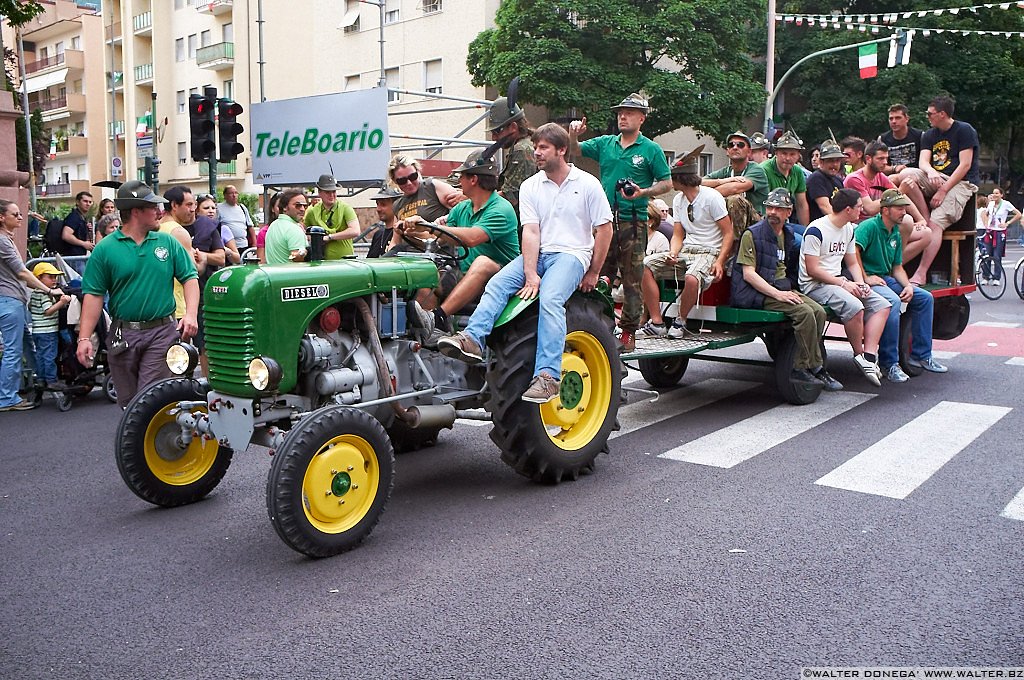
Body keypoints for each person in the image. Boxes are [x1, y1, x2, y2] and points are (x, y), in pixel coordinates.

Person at [438, 122, 613, 403]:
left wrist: (593, 271)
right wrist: (530, 272)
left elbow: (605, 229)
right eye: (535, 147)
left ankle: (547, 376)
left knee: (551, 298)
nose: (537, 153)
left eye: (543, 147)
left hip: (572, 255)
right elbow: (531, 231)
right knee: (497, 283)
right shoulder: (531, 185)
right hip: (540, 254)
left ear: (562, 150)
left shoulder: (587, 184)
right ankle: (472, 339)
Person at [76, 181, 199, 407]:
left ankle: (153, 439)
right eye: (152, 207)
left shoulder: (167, 242)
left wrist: (190, 315)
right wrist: (84, 338)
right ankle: (138, 441)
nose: (159, 212)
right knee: (128, 403)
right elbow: (93, 296)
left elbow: (190, 278)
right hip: (123, 334)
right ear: (136, 211)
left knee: (149, 400)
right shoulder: (105, 249)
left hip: (162, 332)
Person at [568, 93, 672, 352]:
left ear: (641, 118)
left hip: (634, 223)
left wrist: (643, 192)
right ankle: (599, 324)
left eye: (628, 112)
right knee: (597, 274)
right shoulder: (606, 143)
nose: (622, 116)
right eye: (619, 112)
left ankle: (628, 333)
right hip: (604, 222)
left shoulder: (651, 149)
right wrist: (573, 133)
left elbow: (667, 183)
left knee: (631, 279)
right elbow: (576, 150)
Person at [403, 150, 521, 344]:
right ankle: (428, 336)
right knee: (426, 275)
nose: (458, 181)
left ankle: (438, 318)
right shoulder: (462, 208)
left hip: (503, 279)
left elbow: (472, 238)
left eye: (461, 176)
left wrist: (431, 226)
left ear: (473, 179)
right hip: (467, 274)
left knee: (483, 263)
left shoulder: (501, 209)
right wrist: (411, 229)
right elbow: (438, 238)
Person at [730, 188, 841, 391]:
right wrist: (778, 294)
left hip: (779, 287)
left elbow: (791, 267)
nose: (772, 211)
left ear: (788, 212)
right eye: (769, 207)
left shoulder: (788, 235)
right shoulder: (752, 234)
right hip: (756, 291)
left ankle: (815, 366)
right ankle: (801, 368)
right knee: (805, 313)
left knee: (818, 311)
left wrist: (788, 287)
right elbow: (749, 274)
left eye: (778, 208)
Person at [799, 188, 891, 387]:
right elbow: (812, 269)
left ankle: (869, 356)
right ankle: (858, 354)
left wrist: (860, 283)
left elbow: (851, 263)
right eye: (859, 207)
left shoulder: (848, 229)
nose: (862, 210)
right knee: (855, 307)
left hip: (838, 281)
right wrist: (844, 283)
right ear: (848, 209)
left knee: (882, 305)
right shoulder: (817, 230)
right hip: (815, 285)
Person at [639, 148, 733, 338]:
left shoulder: (711, 198)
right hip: (687, 250)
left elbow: (729, 233)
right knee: (644, 266)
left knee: (692, 277)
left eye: (671, 177)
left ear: (681, 179)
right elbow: (678, 234)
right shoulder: (678, 199)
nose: (668, 181)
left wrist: (720, 262)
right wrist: (673, 253)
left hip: (709, 252)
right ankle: (656, 322)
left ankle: (680, 321)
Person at [855, 189, 947, 383]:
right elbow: (853, 252)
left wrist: (908, 286)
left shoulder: (895, 232)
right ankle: (889, 364)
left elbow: (897, 267)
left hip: (884, 278)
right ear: (885, 210)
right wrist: (865, 278)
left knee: (924, 298)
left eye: (904, 207)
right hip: (866, 280)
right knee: (893, 302)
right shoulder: (868, 226)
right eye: (899, 208)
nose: (904, 212)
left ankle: (922, 356)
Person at [900, 95, 981, 286]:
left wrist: (943, 190)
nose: (927, 116)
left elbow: (965, 165)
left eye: (930, 113)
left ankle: (921, 273)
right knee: (907, 175)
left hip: (960, 182)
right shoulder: (929, 135)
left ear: (942, 114)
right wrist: (929, 172)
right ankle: (922, 214)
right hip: (936, 177)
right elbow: (923, 162)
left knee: (935, 224)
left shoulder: (964, 130)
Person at [0, 200, 69, 411]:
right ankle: (7, 398)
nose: (21, 217)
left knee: (27, 345)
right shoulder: (3, 241)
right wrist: (48, 290)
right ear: (2, 218)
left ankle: (40, 380)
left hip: (12, 300)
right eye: (15, 214)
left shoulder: (6, 240)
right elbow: (22, 271)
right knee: (13, 350)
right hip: (9, 300)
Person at [845, 140, 931, 263]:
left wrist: (920, 219)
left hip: (881, 224)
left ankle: (892, 266)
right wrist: (900, 191)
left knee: (926, 234)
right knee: (906, 220)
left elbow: (903, 198)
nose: (885, 162)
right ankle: (888, 266)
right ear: (868, 159)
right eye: (880, 159)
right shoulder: (855, 179)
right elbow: (869, 209)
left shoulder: (880, 177)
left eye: (886, 158)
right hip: (861, 226)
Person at [702, 130, 770, 238]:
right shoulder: (725, 172)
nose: (735, 147)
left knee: (734, 199)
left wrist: (709, 191)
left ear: (749, 152)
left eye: (740, 145)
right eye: (731, 145)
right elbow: (699, 184)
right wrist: (723, 181)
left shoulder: (756, 170)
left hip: (757, 222)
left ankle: (736, 246)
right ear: (727, 151)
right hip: (730, 220)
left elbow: (733, 188)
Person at [486, 94, 536, 222]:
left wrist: (473, 200)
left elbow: (511, 196)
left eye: (497, 131)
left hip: (522, 225)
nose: (494, 138)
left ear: (513, 127)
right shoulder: (525, 145)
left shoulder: (522, 150)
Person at [28, 263, 71, 391]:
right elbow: (48, 311)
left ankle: (41, 379)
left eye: (55, 277)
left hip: (38, 331)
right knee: (49, 356)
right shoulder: (44, 294)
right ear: (39, 279)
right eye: (50, 277)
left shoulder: (35, 293)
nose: (54, 280)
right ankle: (52, 380)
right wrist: (62, 302)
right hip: (48, 331)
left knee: (41, 355)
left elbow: (30, 307)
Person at [160, 187, 201, 322]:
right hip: (177, 308)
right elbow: (193, 270)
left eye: (194, 205)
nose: (193, 209)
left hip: (160, 307)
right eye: (188, 205)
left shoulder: (155, 228)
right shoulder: (178, 232)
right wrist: (202, 260)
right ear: (174, 205)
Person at [390, 155, 464, 223]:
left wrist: (466, 196)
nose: (409, 183)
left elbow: (466, 208)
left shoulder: (432, 186)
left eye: (412, 176)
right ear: (394, 181)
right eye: (402, 180)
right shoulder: (397, 205)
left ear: (418, 172)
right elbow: (396, 234)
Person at [304, 174, 361, 260]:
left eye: (334, 191)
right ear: (320, 192)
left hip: (345, 263)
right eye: (327, 192)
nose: (331, 195)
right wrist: (315, 240)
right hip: (321, 263)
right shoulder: (312, 211)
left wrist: (330, 237)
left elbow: (355, 231)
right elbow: (304, 230)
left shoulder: (345, 208)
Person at [761, 130, 810, 228]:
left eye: (792, 154)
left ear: (798, 156)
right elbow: (762, 207)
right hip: (764, 222)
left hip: (784, 222)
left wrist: (806, 230)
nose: (788, 158)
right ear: (776, 153)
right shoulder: (764, 170)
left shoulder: (798, 171)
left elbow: (801, 205)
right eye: (784, 153)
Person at [983, 187, 1020, 283]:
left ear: (1001, 195)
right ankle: (986, 276)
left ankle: (996, 277)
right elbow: (986, 214)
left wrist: (1007, 223)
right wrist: (986, 224)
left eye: (997, 193)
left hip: (999, 232)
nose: (994, 195)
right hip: (990, 231)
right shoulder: (990, 204)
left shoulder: (1006, 204)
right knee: (987, 254)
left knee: (997, 255)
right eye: (993, 193)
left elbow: (1018, 214)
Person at [806, 139, 847, 222]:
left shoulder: (838, 180)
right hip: (821, 226)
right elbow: (824, 207)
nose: (835, 165)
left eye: (837, 161)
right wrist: (841, 223)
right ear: (821, 162)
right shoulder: (816, 178)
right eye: (831, 161)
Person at [264, 190, 309, 264]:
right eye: (298, 205)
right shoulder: (294, 229)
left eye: (305, 206)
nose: (302, 209)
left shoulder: (273, 225)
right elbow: (297, 259)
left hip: (273, 273)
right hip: (291, 274)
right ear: (285, 207)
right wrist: (305, 252)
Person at [880, 103, 923, 179]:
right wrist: (894, 168)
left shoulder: (920, 136)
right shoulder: (883, 139)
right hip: (892, 177)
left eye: (898, 118)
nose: (894, 121)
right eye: (891, 118)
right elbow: (879, 166)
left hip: (916, 176)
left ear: (907, 119)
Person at [197, 195, 240, 265]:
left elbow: (237, 258)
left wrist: (228, 252)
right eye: (206, 208)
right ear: (197, 211)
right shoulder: (194, 228)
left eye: (213, 208)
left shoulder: (224, 229)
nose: (211, 211)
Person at [366, 187, 403, 258]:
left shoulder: (402, 234)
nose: (378, 209)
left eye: (383, 205)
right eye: (377, 204)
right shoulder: (378, 234)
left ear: (396, 206)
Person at [217, 185, 254, 251]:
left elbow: (250, 226)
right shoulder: (219, 208)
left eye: (236, 193)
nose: (234, 195)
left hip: (244, 245)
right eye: (231, 193)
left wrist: (254, 243)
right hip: (228, 247)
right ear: (225, 195)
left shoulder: (242, 208)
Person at [61, 191, 95, 256]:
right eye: (85, 201)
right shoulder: (74, 217)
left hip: (78, 255)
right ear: (77, 202)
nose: (88, 204)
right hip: (73, 256)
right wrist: (83, 244)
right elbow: (66, 235)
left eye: (90, 202)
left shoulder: (81, 217)